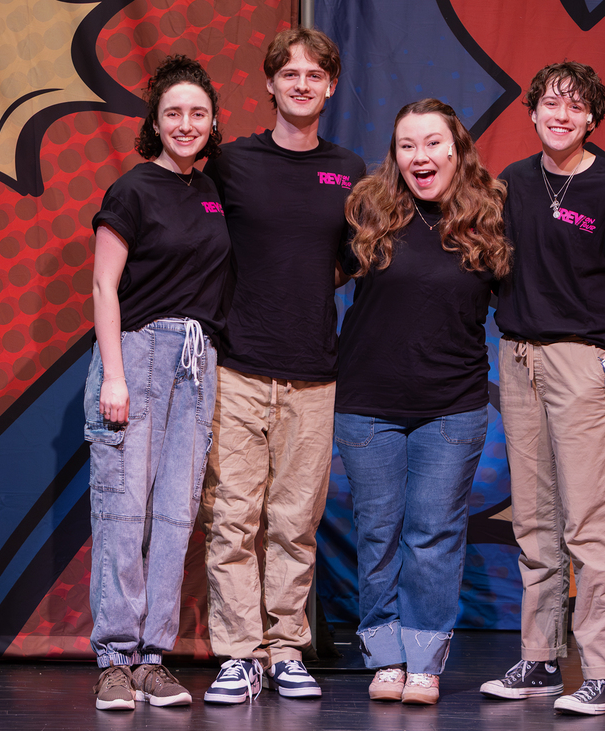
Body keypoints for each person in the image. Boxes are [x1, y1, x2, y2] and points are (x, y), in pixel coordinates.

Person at [480, 61, 605, 715]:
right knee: (534, 522)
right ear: (531, 112)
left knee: (589, 525)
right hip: (520, 358)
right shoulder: (514, 183)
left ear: (592, 118)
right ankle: (539, 659)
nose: (560, 114)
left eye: (574, 105)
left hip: (583, 363)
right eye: (549, 103)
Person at [200, 27, 366, 703]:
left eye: (314, 75)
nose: (301, 84)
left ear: (330, 86)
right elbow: (199, 242)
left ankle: (285, 648)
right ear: (268, 83)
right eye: (289, 73)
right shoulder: (233, 163)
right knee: (234, 517)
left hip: (314, 372)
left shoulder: (349, 169)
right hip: (238, 368)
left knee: (296, 521)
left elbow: (353, 257)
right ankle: (238, 654)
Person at [336, 99, 512, 706]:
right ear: (395, 154)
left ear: (457, 149)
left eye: (433, 143)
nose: (421, 156)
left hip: (451, 408)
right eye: (408, 145)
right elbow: (310, 273)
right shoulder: (367, 209)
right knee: (378, 531)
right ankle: (384, 656)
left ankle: (425, 661)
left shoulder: (491, 215)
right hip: (368, 404)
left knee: (434, 534)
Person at [84, 55, 230, 711]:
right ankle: (114, 659)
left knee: (174, 516)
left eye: (197, 112)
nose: (186, 123)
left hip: (197, 364)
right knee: (123, 512)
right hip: (137, 354)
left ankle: (152, 658)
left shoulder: (214, 192)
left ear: (213, 121)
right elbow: (103, 284)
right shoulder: (134, 189)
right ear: (155, 122)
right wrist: (113, 373)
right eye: (173, 112)